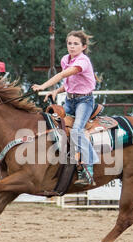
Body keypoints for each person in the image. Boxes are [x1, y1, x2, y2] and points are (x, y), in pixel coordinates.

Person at [32, 30, 99, 185]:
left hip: (84, 101)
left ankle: (89, 169)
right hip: (70, 100)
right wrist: (56, 90)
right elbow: (69, 83)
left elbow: (62, 75)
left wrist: (43, 86)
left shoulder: (83, 61)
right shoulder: (65, 59)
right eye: (69, 43)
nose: (72, 46)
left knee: (76, 130)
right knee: (52, 123)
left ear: (83, 47)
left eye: (76, 44)